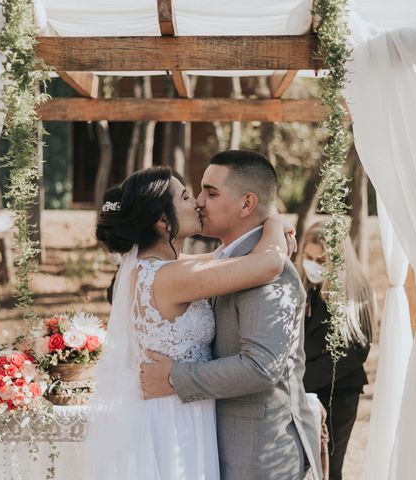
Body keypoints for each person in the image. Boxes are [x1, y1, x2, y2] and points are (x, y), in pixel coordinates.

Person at [87, 164, 294, 479]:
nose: (197, 202)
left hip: (172, 407)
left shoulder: (154, 268)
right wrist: (274, 222)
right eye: (185, 196)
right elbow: (268, 264)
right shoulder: (171, 276)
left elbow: (221, 259)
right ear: (162, 220)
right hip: (175, 418)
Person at [141, 150, 323, 480]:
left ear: (246, 204)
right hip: (206, 441)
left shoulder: (270, 274)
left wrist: (175, 376)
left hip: (258, 452)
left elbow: (260, 366)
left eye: (211, 192)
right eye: (198, 192)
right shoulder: (230, 263)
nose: (198, 201)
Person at [298, 220, 377, 480]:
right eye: (308, 257)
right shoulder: (303, 288)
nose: (313, 265)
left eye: (320, 260)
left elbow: (357, 350)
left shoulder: (358, 291)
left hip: (338, 393)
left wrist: (302, 379)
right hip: (300, 392)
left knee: (329, 468)